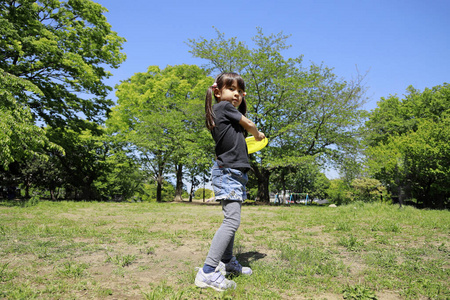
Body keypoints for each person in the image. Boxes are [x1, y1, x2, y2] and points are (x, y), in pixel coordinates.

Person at [194, 73, 265, 292]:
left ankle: (228, 263)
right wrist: (257, 133)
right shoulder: (223, 107)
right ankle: (207, 272)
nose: (237, 94)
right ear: (218, 92)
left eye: (240, 91)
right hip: (228, 173)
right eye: (231, 89)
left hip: (235, 173)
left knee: (232, 223)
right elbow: (249, 123)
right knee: (232, 222)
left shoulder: (225, 115)